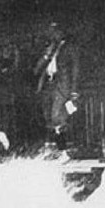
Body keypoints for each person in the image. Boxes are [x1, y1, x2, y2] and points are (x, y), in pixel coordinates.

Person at [33, 21, 80, 149]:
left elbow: (75, 70)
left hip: (62, 86)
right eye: (50, 32)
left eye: (55, 31)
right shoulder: (49, 49)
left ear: (61, 32)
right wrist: (47, 54)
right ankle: (55, 148)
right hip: (48, 84)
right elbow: (36, 70)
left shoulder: (70, 48)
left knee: (57, 116)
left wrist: (74, 91)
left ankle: (63, 149)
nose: (52, 34)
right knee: (48, 116)